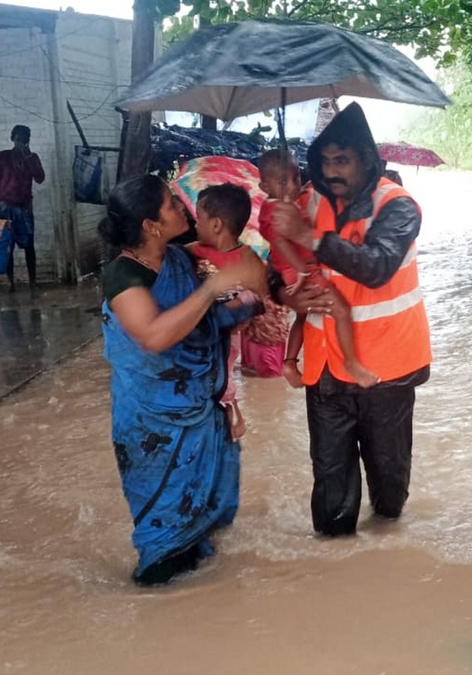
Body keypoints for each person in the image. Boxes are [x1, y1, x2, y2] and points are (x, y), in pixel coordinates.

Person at [269, 102, 432, 537]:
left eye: (341, 160)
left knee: (390, 486)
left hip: (386, 369)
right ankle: (333, 567)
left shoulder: (398, 208)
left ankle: (385, 551)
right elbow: (275, 271)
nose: (332, 170)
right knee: (331, 486)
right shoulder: (304, 201)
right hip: (323, 370)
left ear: (366, 159)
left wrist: (311, 238)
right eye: (324, 161)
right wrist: (288, 293)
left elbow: (375, 268)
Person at [99, 175, 263, 585]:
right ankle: (151, 616)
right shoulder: (123, 276)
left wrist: (246, 298)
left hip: (202, 412)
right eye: (172, 204)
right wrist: (211, 292)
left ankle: (198, 624)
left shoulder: (180, 260)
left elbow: (209, 317)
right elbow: (154, 336)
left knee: (201, 543)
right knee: (162, 545)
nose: (182, 209)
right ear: (150, 226)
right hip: (153, 424)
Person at [258, 150, 379, 390]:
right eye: (284, 181)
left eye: (297, 178)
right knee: (341, 311)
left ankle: (290, 362)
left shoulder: (289, 202)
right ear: (264, 185)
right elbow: (280, 244)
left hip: (298, 271)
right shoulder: (279, 210)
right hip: (304, 271)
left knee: (303, 315)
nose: (293, 186)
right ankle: (352, 363)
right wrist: (302, 271)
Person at [186, 182, 269, 440]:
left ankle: (232, 418)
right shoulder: (192, 251)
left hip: (227, 331)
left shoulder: (248, 260)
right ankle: (227, 417)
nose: (195, 224)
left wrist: (241, 306)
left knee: (221, 371)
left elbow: (262, 299)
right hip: (201, 326)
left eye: (199, 217)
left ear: (216, 224)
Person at [0, 125, 46, 292]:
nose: (21, 140)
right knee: (8, 246)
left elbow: (40, 178)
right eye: (18, 137)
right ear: (12, 138)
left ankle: (33, 281)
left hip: (25, 207)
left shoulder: (32, 158)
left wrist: (28, 157)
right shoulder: (2, 157)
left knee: (29, 245)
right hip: (5, 206)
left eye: (24, 138)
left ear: (28, 140)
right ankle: (11, 282)